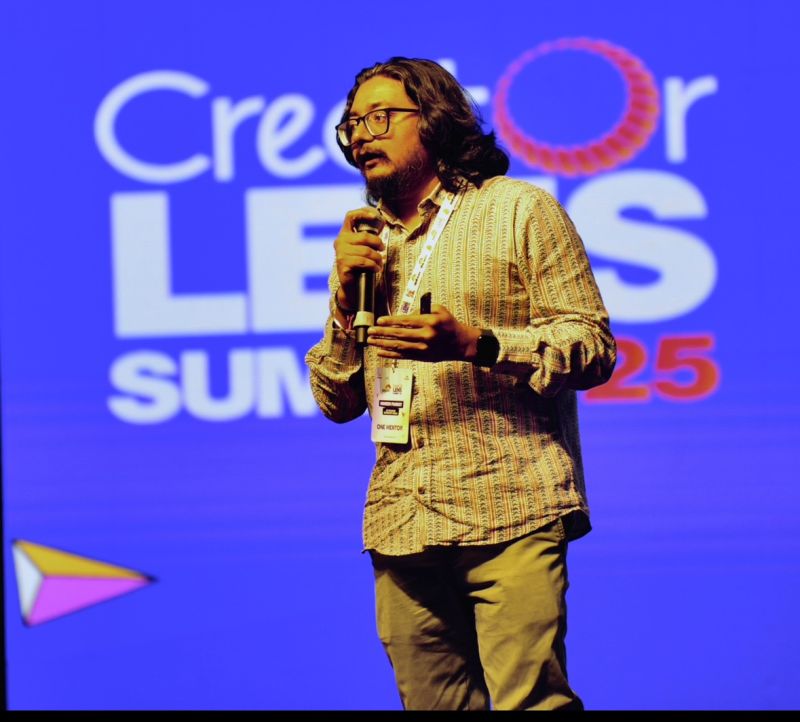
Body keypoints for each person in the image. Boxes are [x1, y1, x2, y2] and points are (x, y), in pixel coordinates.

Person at [305, 57, 616, 711]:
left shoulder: (518, 210)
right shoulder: (367, 244)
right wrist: (343, 299)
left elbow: (591, 347)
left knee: (532, 704)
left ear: (435, 118)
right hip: (401, 519)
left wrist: (480, 345)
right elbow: (335, 400)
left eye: (381, 118)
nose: (361, 136)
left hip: (508, 503)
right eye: (352, 124)